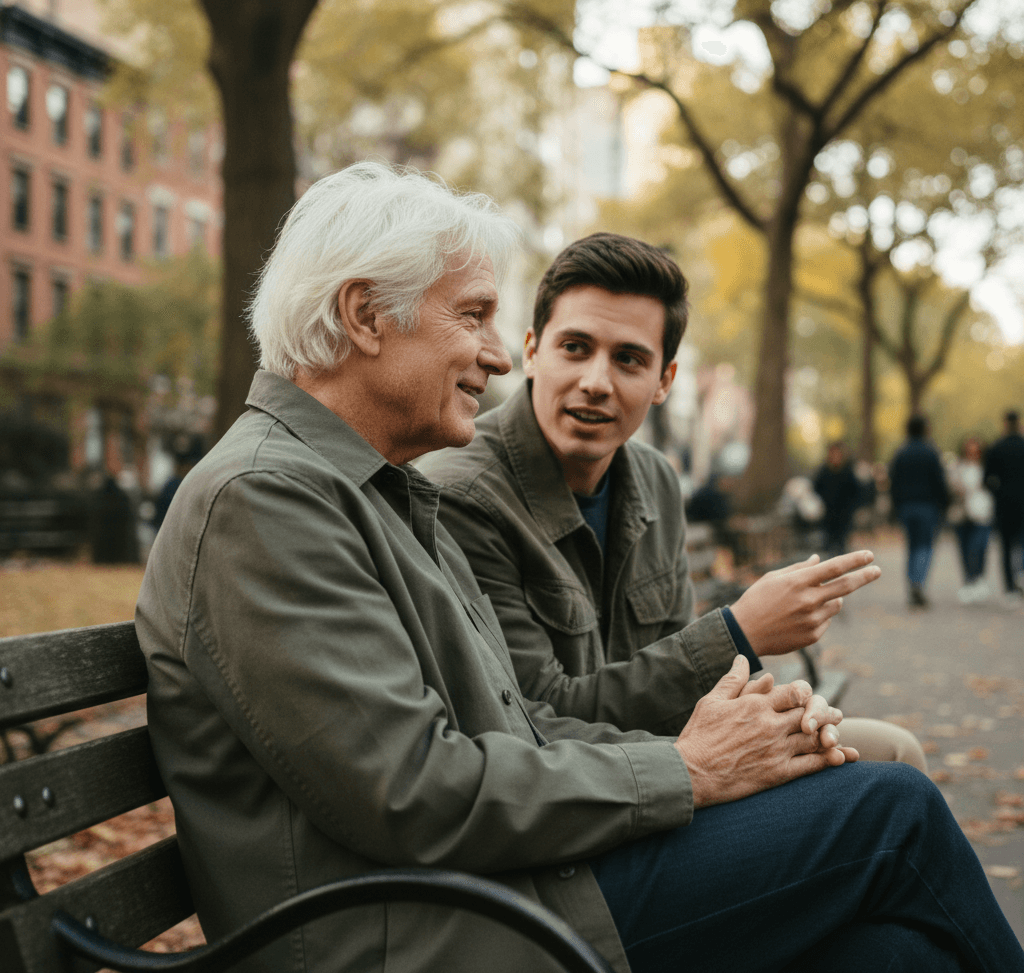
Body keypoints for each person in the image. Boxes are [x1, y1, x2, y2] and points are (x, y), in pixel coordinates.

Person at [135, 164, 1023, 973]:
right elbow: (412, 793)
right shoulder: (264, 500)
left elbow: (519, 726)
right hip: (417, 932)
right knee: (892, 813)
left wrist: (713, 749)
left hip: (494, 886)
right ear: (366, 316)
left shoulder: (374, 492)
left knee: (896, 955)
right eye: (472, 316)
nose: (495, 356)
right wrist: (689, 769)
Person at [421, 232, 924, 769]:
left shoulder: (654, 479)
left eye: (629, 360)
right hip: (590, 782)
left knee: (892, 752)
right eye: (575, 348)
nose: (596, 381)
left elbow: (679, 675)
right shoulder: (462, 495)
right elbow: (532, 717)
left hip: (671, 750)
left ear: (663, 381)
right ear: (531, 352)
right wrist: (740, 632)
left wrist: (773, 707)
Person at [889, 414, 949, 608]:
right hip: (927, 507)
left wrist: (896, 506)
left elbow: (893, 482)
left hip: (906, 507)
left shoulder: (901, 453)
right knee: (925, 546)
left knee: (911, 545)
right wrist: (945, 505)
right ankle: (919, 582)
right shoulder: (931, 452)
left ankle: (912, 583)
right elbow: (939, 481)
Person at [984, 409, 1024, 601]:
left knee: (1006, 547)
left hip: (1004, 504)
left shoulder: (997, 447)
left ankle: (1010, 587)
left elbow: (987, 478)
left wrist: (998, 493)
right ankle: (1021, 573)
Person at [949, 437, 994, 604]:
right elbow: (950, 486)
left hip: (982, 514)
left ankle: (978, 578)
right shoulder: (957, 467)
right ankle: (968, 581)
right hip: (962, 515)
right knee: (964, 550)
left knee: (978, 548)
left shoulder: (987, 468)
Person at [812, 440, 864, 557]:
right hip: (828, 514)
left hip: (844, 515)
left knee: (842, 544)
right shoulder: (824, 471)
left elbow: (856, 491)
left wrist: (852, 507)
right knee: (828, 545)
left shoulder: (848, 471)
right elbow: (816, 488)